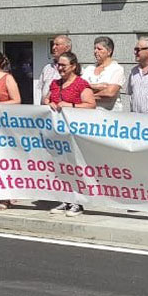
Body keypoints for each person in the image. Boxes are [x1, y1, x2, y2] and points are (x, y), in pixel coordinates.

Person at [46, 52, 96, 217]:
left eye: (63, 65)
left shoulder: (81, 84)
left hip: (75, 133)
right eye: (58, 65)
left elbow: (90, 105)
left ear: (73, 66)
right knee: (61, 167)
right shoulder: (55, 84)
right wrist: (50, 103)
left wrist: (70, 105)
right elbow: (45, 100)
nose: (60, 68)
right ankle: (65, 198)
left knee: (76, 167)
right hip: (58, 134)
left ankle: (78, 202)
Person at [83, 36, 125, 111]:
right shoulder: (88, 69)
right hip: (89, 115)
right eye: (94, 49)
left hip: (109, 116)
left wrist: (87, 95)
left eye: (99, 49)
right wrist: (100, 86)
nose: (95, 51)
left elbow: (109, 93)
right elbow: (79, 88)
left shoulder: (117, 69)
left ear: (109, 51)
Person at [38, 35, 72, 105]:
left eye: (57, 45)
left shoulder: (75, 69)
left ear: (67, 48)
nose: (53, 48)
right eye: (53, 44)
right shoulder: (47, 68)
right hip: (46, 112)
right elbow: (40, 90)